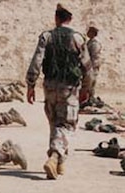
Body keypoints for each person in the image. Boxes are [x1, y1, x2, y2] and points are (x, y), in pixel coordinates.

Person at [25, 3, 93, 179]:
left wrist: (31, 85)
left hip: (49, 87)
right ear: (70, 18)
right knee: (66, 124)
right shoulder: (78, 39)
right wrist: (87, 89)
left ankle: (60, 163)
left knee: (55, 123)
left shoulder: (46, 37)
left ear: (56, 18)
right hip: (69, 90)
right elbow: (87, 67)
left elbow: (36, 62)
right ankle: (55, 156)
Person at [86, 24, 102, 104]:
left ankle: (91, 99)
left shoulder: (95, 43)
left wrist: (90, 66)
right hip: (90, 65)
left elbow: (94, 56)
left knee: (91, 83)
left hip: (93, 66)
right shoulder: (90, 42)